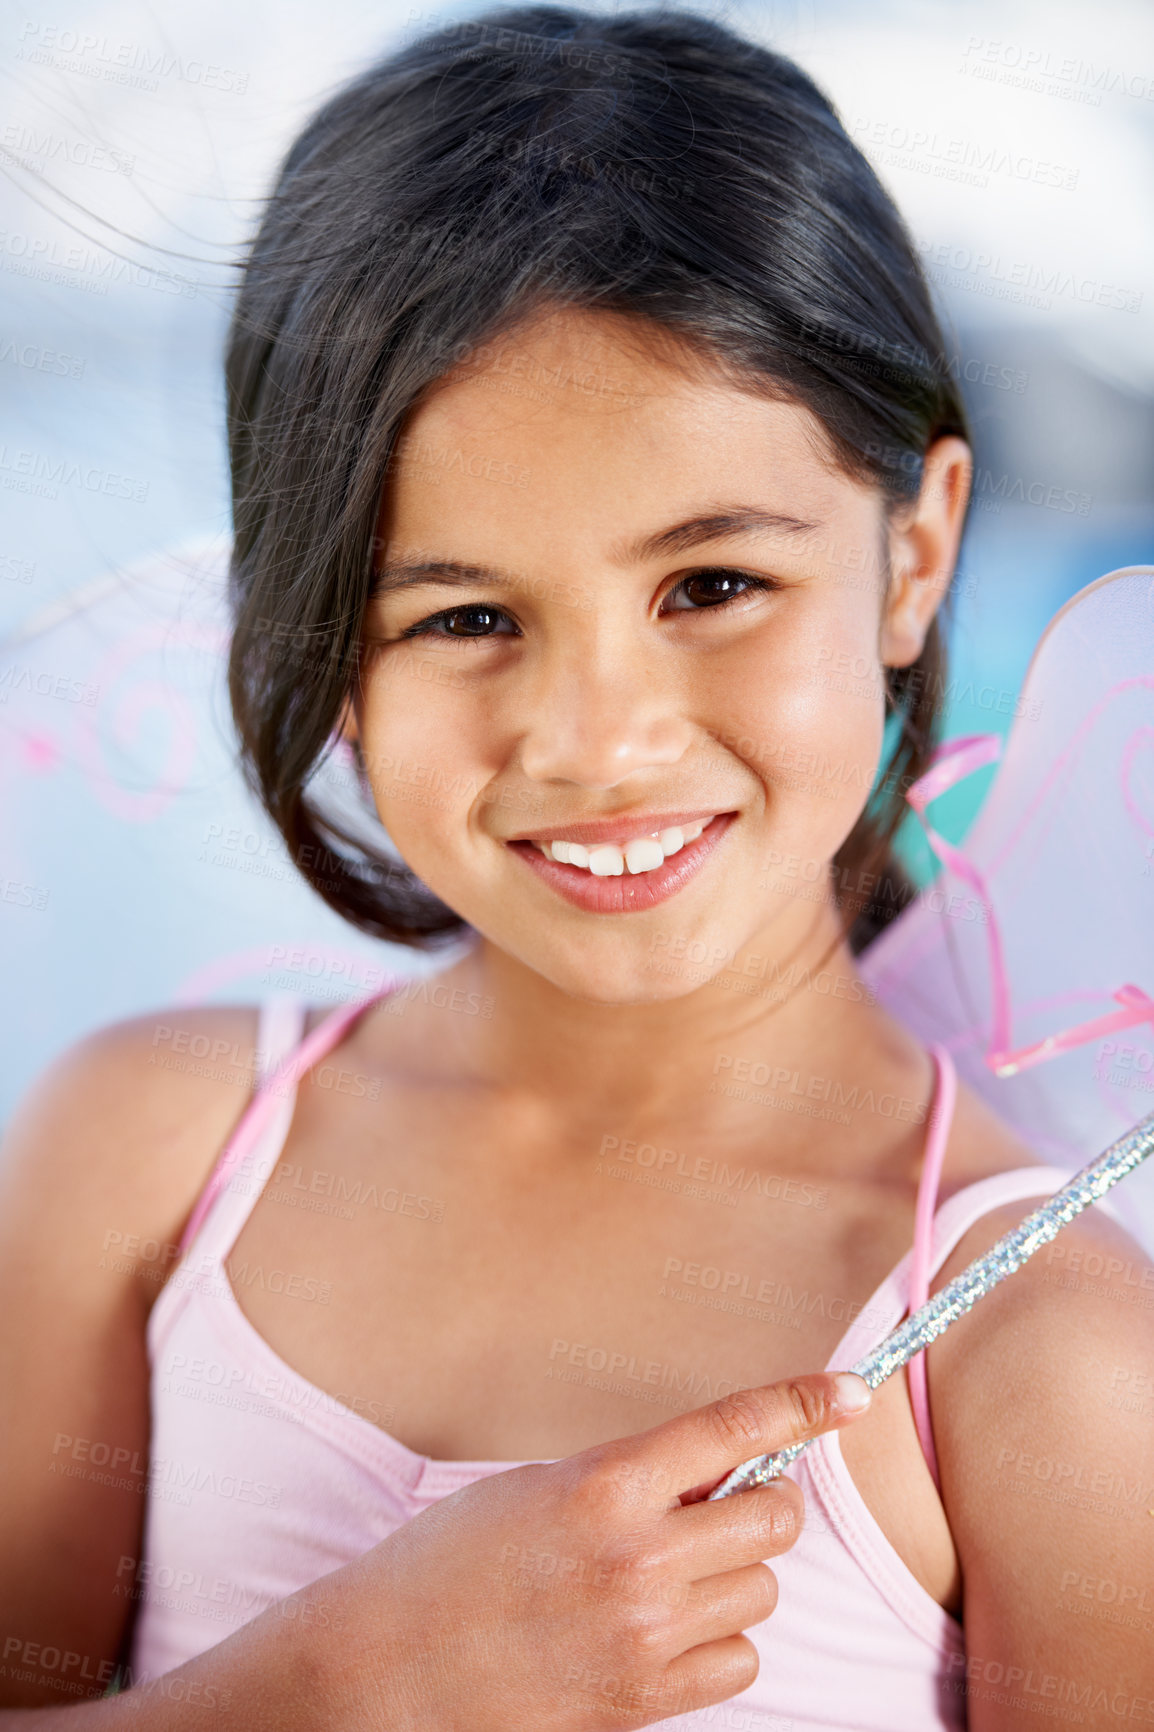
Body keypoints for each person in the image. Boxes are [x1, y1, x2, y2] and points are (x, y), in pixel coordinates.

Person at [1, 7, 1151, 1728]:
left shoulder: (1044, 1365)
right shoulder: (152, 1154)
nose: (593, 740)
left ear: (911, 557)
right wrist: (340, 1685)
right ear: (324, 640)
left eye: (710, 587)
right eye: (463, 616)